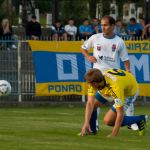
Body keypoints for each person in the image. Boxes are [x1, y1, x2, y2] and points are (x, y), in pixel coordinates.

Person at [81, 15, 137, 132]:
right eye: (102, 25)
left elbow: (125, 59)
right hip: (98, 75)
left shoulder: (119, 42)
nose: (103, 27)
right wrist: (88, 56)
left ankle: (133, 121)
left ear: (112, 26)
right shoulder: (95, 37)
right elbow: (83, 48)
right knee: (93, 103)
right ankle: (93, 125)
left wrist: (127, 69)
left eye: (105, 25)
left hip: (113, 78)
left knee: (123, 100)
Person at [80, 68, 147, 137]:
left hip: (128, 93)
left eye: (89, 83)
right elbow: (90, 103)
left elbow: (120, 112)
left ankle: (140, 119)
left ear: (94, 83)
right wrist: (86, 123)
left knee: (108, 121)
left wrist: (113, 134)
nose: (88, 85)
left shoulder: (115, 87)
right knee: (93, 105)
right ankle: (91, 130)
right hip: (111, 87)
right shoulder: (96, 81)